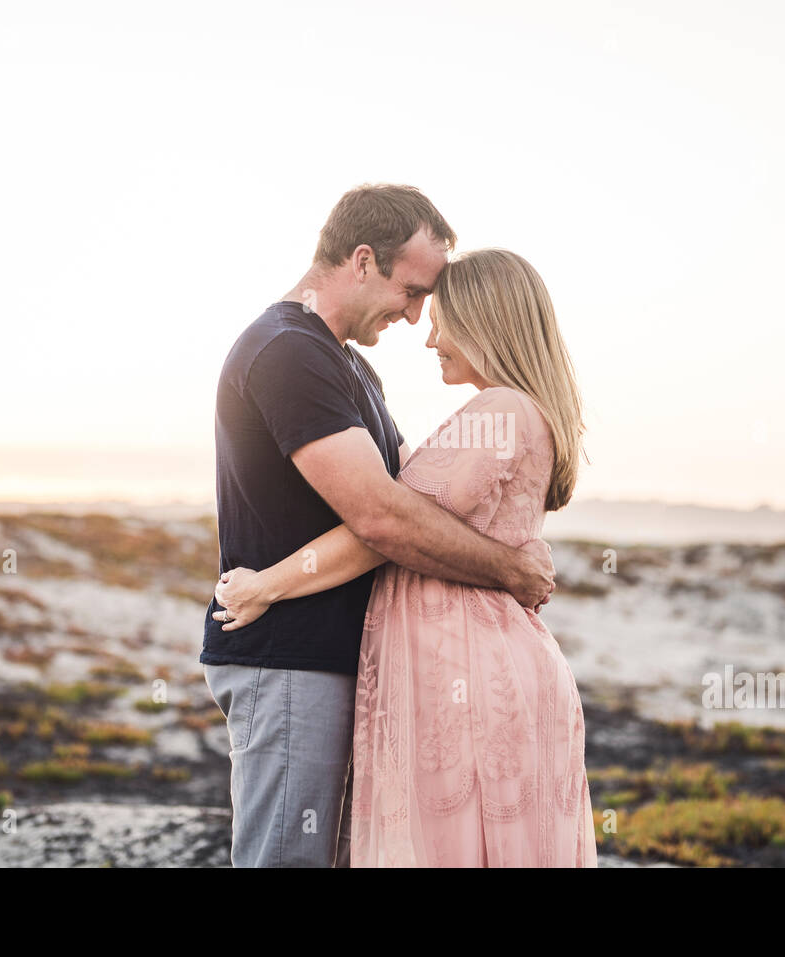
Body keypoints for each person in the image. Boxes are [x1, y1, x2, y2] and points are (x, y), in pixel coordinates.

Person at [202, 187, 557, 868]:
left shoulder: (349, 365)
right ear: (363, 260)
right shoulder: (287, 352)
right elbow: (382, 514)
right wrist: (509, 569)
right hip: (290, 659)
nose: (419, 314)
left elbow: (413, 497)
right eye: (413, 289)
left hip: (336, 661)